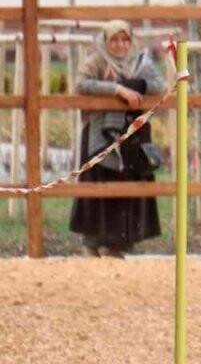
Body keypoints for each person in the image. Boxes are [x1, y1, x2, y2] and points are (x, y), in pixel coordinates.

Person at [69, 21, 165, 258]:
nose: (120, 45)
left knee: (127, 184)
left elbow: (158, 85)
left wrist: (136, 85)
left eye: (124, 40)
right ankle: (93, 241)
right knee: (99, 183)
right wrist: (116, 90)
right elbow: (81, 84)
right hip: (100, 134)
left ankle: (116, 244)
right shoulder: (96, 61)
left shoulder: (141, 63)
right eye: (114, 40)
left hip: (132, 135)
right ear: (106, 42)